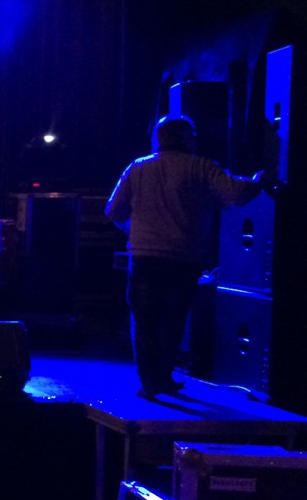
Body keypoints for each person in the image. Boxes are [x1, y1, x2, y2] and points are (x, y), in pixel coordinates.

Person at [106, 114, 264, 398]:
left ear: (159, 137)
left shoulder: (138, 167)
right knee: (173, 320)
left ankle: (149, 383)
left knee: (144, 321)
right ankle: (164, 378)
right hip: (183, 258)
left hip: (144, 257)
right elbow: (236, 194)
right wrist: (258, 180)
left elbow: (113, 210)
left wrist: (134, 230)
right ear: (188, 137)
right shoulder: (200, 167)